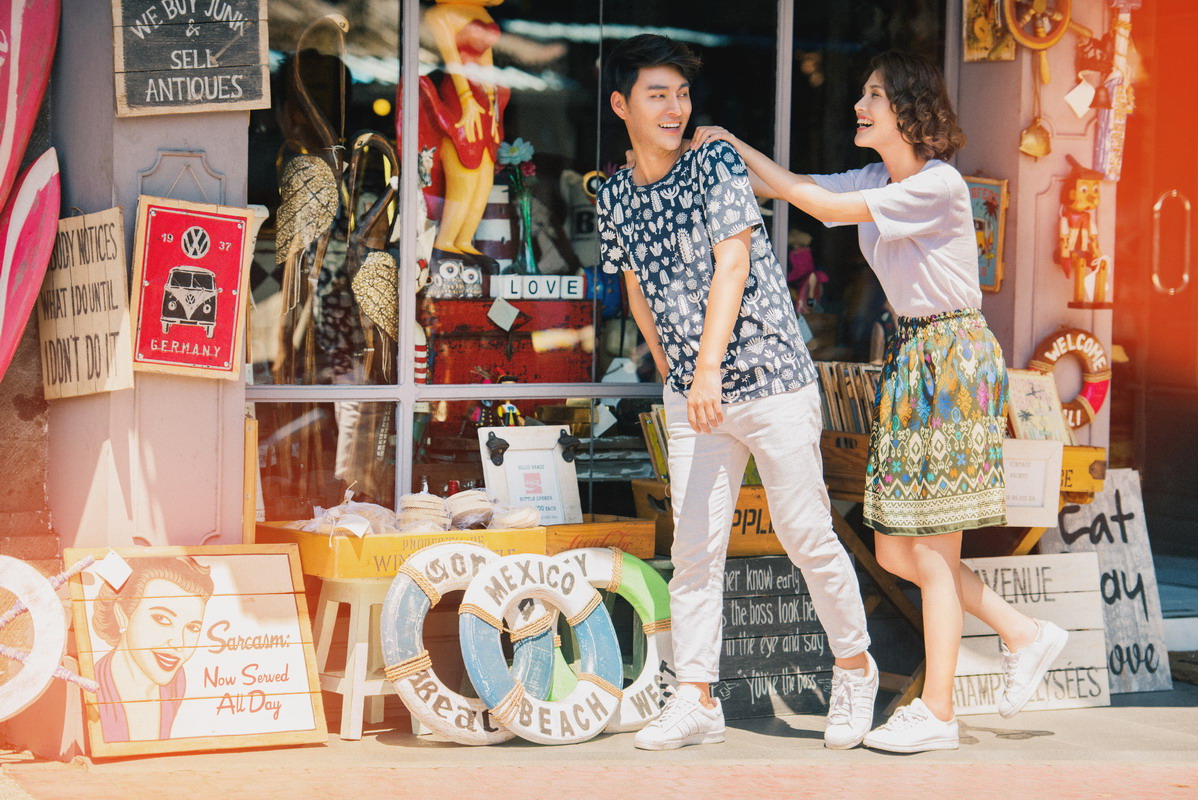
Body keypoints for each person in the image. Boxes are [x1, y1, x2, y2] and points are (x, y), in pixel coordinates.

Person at [690, 50, 1069, 753]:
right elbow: (799, 189)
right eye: (863, 94)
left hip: (951, 360)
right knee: (898, 550)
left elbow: (824, 207)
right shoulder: (877, 177)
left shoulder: (940, 186)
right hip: (911, 357)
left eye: (873, 96)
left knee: (931, 550)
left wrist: (736, 144)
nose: (859, 107)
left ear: (909, 109)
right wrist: (722, 155)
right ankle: (1025, 633)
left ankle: (939, 712)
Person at [597, 34, 877, 752]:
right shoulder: (615, 193)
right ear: (621, 104)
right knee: (695, 550)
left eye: (682, 94)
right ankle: (697, 696)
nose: (675, 107)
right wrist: (673, 369)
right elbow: (635, 285)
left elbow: (734, 263)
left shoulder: (713, 163)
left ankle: (855, 669)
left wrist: (708, 371)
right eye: (657, 94)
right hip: (695, 394)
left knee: (806, 533)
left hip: (767, 380)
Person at [90, 557, 214, 742]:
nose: (179, 643)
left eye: (192, 628)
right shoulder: (94, 687)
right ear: (122, 616)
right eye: (162, 619)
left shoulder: (176, 682)